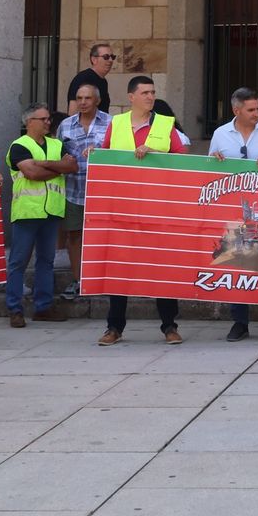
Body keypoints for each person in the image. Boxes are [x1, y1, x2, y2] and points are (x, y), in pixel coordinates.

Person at [97, 75, 191, 347]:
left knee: (161, 266)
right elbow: (106, 159)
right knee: (120, 267)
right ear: (131, 97)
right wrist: (93, 154)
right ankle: (114, 327)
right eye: (145, 93)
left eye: (152, 92)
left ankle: (169, 326)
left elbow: (183, 161)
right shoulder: (116, 124)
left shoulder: (165, 124)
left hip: (157, 208)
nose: (151, 97)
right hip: (123, 208)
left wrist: (155, 154)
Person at [210, 87, 258, 342]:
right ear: (237, 110)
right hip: (234, 210)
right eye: (251, 110)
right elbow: (208, 170)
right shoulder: (220, 134)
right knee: (238, 264)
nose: (257, 114)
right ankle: (239, 322)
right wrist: (215, 159)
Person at [6, 103, 76, 327]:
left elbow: (72, 167)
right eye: (43, 119)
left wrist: (45, 164)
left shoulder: (57, 144)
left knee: (46, 261)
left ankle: (43, 307)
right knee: (18, 262)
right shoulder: (19, 146)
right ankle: (14, 309)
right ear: (29, 122)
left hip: (52, 211)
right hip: (27, 211)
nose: (48, 122)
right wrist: (58, 167)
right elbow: (32, 173)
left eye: (48, 119)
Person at [54, 83, 110, 301]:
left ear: (97, 100)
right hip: (73, 190)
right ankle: (79, 281)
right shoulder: (65, 125)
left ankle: (102, 280)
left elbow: (119, 151)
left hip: (102, 192)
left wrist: (102, 153)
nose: (83, 102)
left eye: (87, 98)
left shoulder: (112, 123)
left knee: (103, 236)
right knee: (75, 236)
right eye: (79, 98)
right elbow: (58, 153)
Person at [67, 42, 116, 115]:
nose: (111, 60)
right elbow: (73, 112)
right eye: (106, 57)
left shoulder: (103, 81)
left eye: (112, 57)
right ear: (94, 60)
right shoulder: (83, 78)